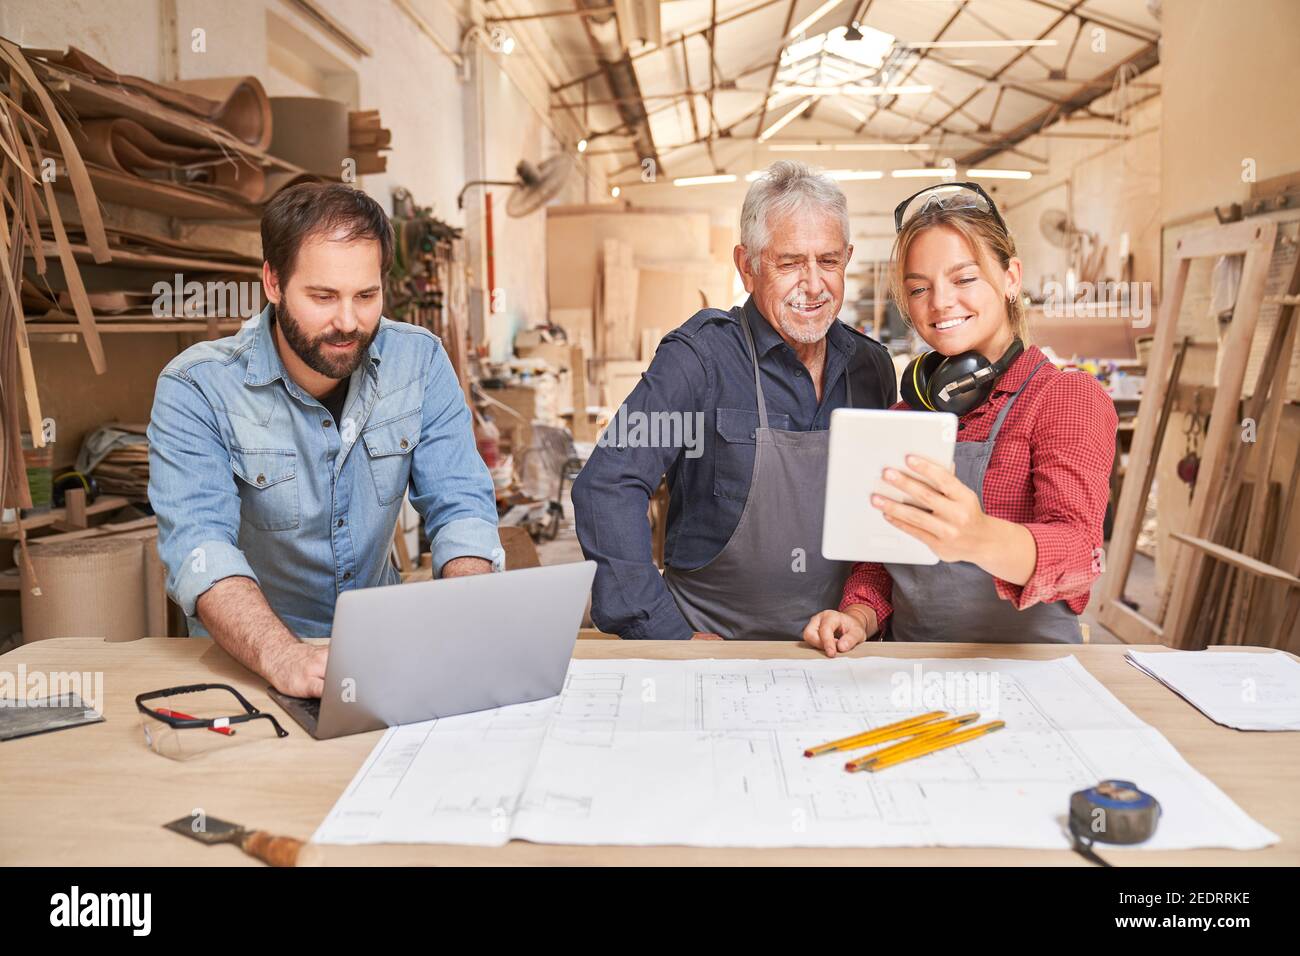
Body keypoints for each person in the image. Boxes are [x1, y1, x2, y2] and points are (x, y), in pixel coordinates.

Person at [148, 183, 501, 696]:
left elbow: (460, 503)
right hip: (250, 664)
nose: (348, 322)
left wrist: (469, 608)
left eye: (366, 296)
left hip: (383, 653)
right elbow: (200, 548)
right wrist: (283, 655)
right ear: (272, 281)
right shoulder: (195, 389)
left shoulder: (419, 361)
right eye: (322, 297)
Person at [573, 161, 896, 641]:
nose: (813, 284)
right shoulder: (700, 361)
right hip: (711, 651)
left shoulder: (870, 369)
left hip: (835, 650)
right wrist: (665, 633)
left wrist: (864, 615)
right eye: (789, 263)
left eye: (828, 261)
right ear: (748, 266)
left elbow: (881, 523)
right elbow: (608, 486)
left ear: (847, 258)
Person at [803, 182, 1117, 653]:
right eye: (919, 288)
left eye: (964, 278)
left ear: (1011, 278)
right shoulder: (906, 413)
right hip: (912, 670)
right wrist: (858, 615)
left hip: (1030, 675)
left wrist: (977, 537)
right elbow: (881, 561)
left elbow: (1080, 556)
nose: (940, 302)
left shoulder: (1064, 397)